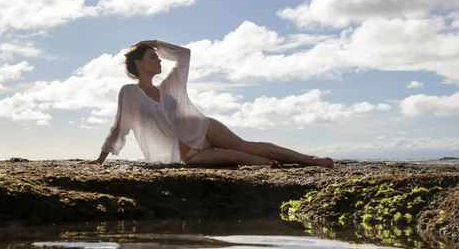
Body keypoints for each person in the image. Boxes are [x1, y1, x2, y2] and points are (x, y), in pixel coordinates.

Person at [83, 39, 334, 167]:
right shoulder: (130, 93)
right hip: (190, 154)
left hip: (202, 128)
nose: (159, 61)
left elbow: (184, 55)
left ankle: (313, 160)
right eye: (152, 57)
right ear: (139, 64)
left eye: (158, 57)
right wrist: (100, 160)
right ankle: (288, 164)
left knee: (249, 146)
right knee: (249, 159)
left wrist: (154, 43)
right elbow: (118, 128)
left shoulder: (169, 86)